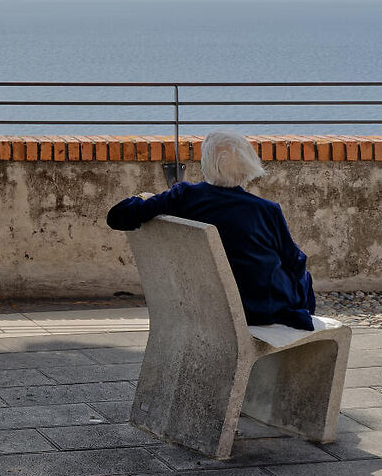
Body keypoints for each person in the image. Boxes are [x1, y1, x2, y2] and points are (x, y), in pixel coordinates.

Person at [107, 129, 323, 331]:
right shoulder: (266, 210)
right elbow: (295, 262)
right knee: (302, 274)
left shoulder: (184, 196)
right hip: (259, 309)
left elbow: (116, 217)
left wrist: (147, 199)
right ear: (248, 165)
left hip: (205, 302)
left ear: (207, 162)